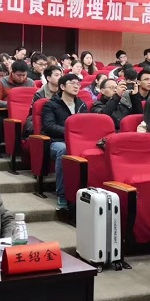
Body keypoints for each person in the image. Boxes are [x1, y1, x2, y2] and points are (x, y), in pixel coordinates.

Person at [41, 74, 89, 210]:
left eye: (78, 83)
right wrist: (70, 132)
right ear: (62, 86)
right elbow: (49, 126)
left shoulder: (81, 105)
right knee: (64, 150)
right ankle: (62, 194)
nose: (76, 86)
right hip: (56, 141)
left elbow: (86, 125)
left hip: (78, 141)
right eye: (72, 83)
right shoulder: (51, 105)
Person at [0, 60, 35, 157]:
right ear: (12, 72)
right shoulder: (2, 82)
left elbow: (35, 99)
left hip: (26, 112)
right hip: (6, 111)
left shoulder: (30, 83)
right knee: (0, 120)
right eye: (19, 75)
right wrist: (11, 105)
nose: (21, 78)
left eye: (24, 75)